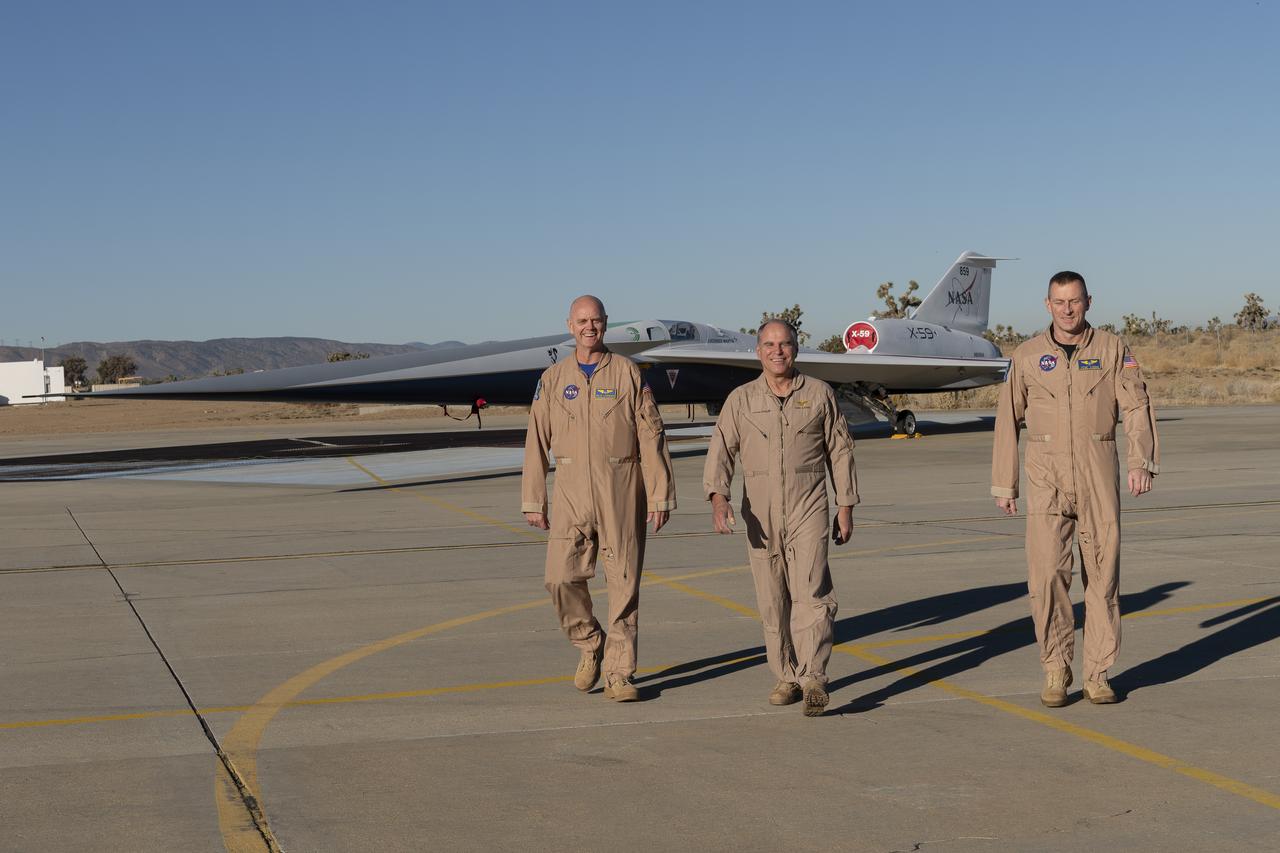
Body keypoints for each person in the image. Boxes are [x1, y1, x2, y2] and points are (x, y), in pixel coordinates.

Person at [992, 271, 1159, 707]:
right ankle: (1055, 667)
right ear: (1047, 304)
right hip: (1045, 477)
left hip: (1097, 472)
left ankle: (1098, 672)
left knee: (1102, 576)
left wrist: (1142, 461)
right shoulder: (1027, 355)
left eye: (1076, 301)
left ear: (1088, 302)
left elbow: (1137, 406)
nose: (1068, 310)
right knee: (1047, 576)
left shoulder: (1112, 349)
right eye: (1059, 301)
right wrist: (1004, 482)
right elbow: (1007, 420)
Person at [521, 295, 676, 702]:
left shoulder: (628, 373)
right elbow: (536, 441)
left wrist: (659, 495)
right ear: (570, 326)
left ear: (606, 324)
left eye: (597, 320)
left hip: (621, 484)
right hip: (571, 486)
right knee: (559, 577)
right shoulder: (553, 379)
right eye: (582, 320)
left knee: (623, 581)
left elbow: (651, 435)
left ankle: (620, 674)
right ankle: (590, 642)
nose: (590, 327)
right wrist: (534, 499)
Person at [703, 319, 859, 717]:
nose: (778, 351)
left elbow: (840, 451)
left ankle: (813, 678)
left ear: (796, 349)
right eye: (769, 345)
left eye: (785, 344)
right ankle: (786, 676)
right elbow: (721, 451)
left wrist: (845, 506)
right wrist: (718, 500)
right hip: (759, 510)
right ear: (758, 351)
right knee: (773, 600)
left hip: (809, 505)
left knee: (812, 593)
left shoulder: (819, 394)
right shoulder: (740, 400)